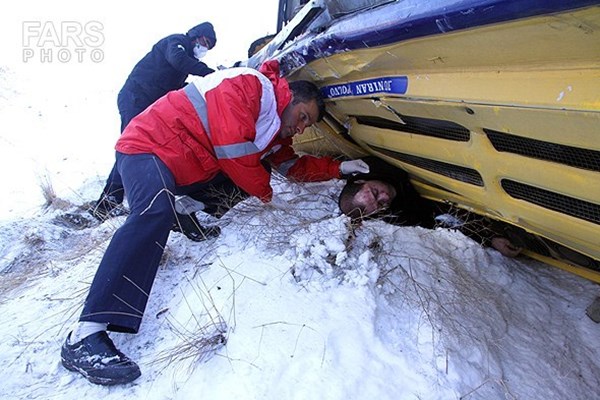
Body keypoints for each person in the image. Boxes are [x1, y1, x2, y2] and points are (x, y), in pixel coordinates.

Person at [60, 60, 368, 386]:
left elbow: (293, 166)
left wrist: (340, 170)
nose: (303, 127)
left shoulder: (272, 130)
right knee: (154, 212)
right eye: (303, 116)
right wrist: (267, 195)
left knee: (246, 175)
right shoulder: (250, 86)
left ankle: (189, 210)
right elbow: (232, 148)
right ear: (288, 97)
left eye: (309, 126)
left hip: (180, 167)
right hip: (147, 147)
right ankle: (85, 335)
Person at [91, 22, 218, 221]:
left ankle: (121, 199)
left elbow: (175, 85)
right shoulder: (176, 43)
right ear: (195, 36)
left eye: (208, 47)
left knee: (141, 149)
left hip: (148, 105)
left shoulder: (185, 61)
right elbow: (178, 60)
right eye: (204, 42)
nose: (205, 48)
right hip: (135, 97)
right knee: (130, 147)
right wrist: (211, 74)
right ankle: (107, 203)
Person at [338, 156, 523, 258]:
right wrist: (491, 237)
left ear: (361, 180)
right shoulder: (403, 213)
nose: (385, 197)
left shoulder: (370, 164)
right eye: (380, 204)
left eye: (376, 192)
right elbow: (445, 219)